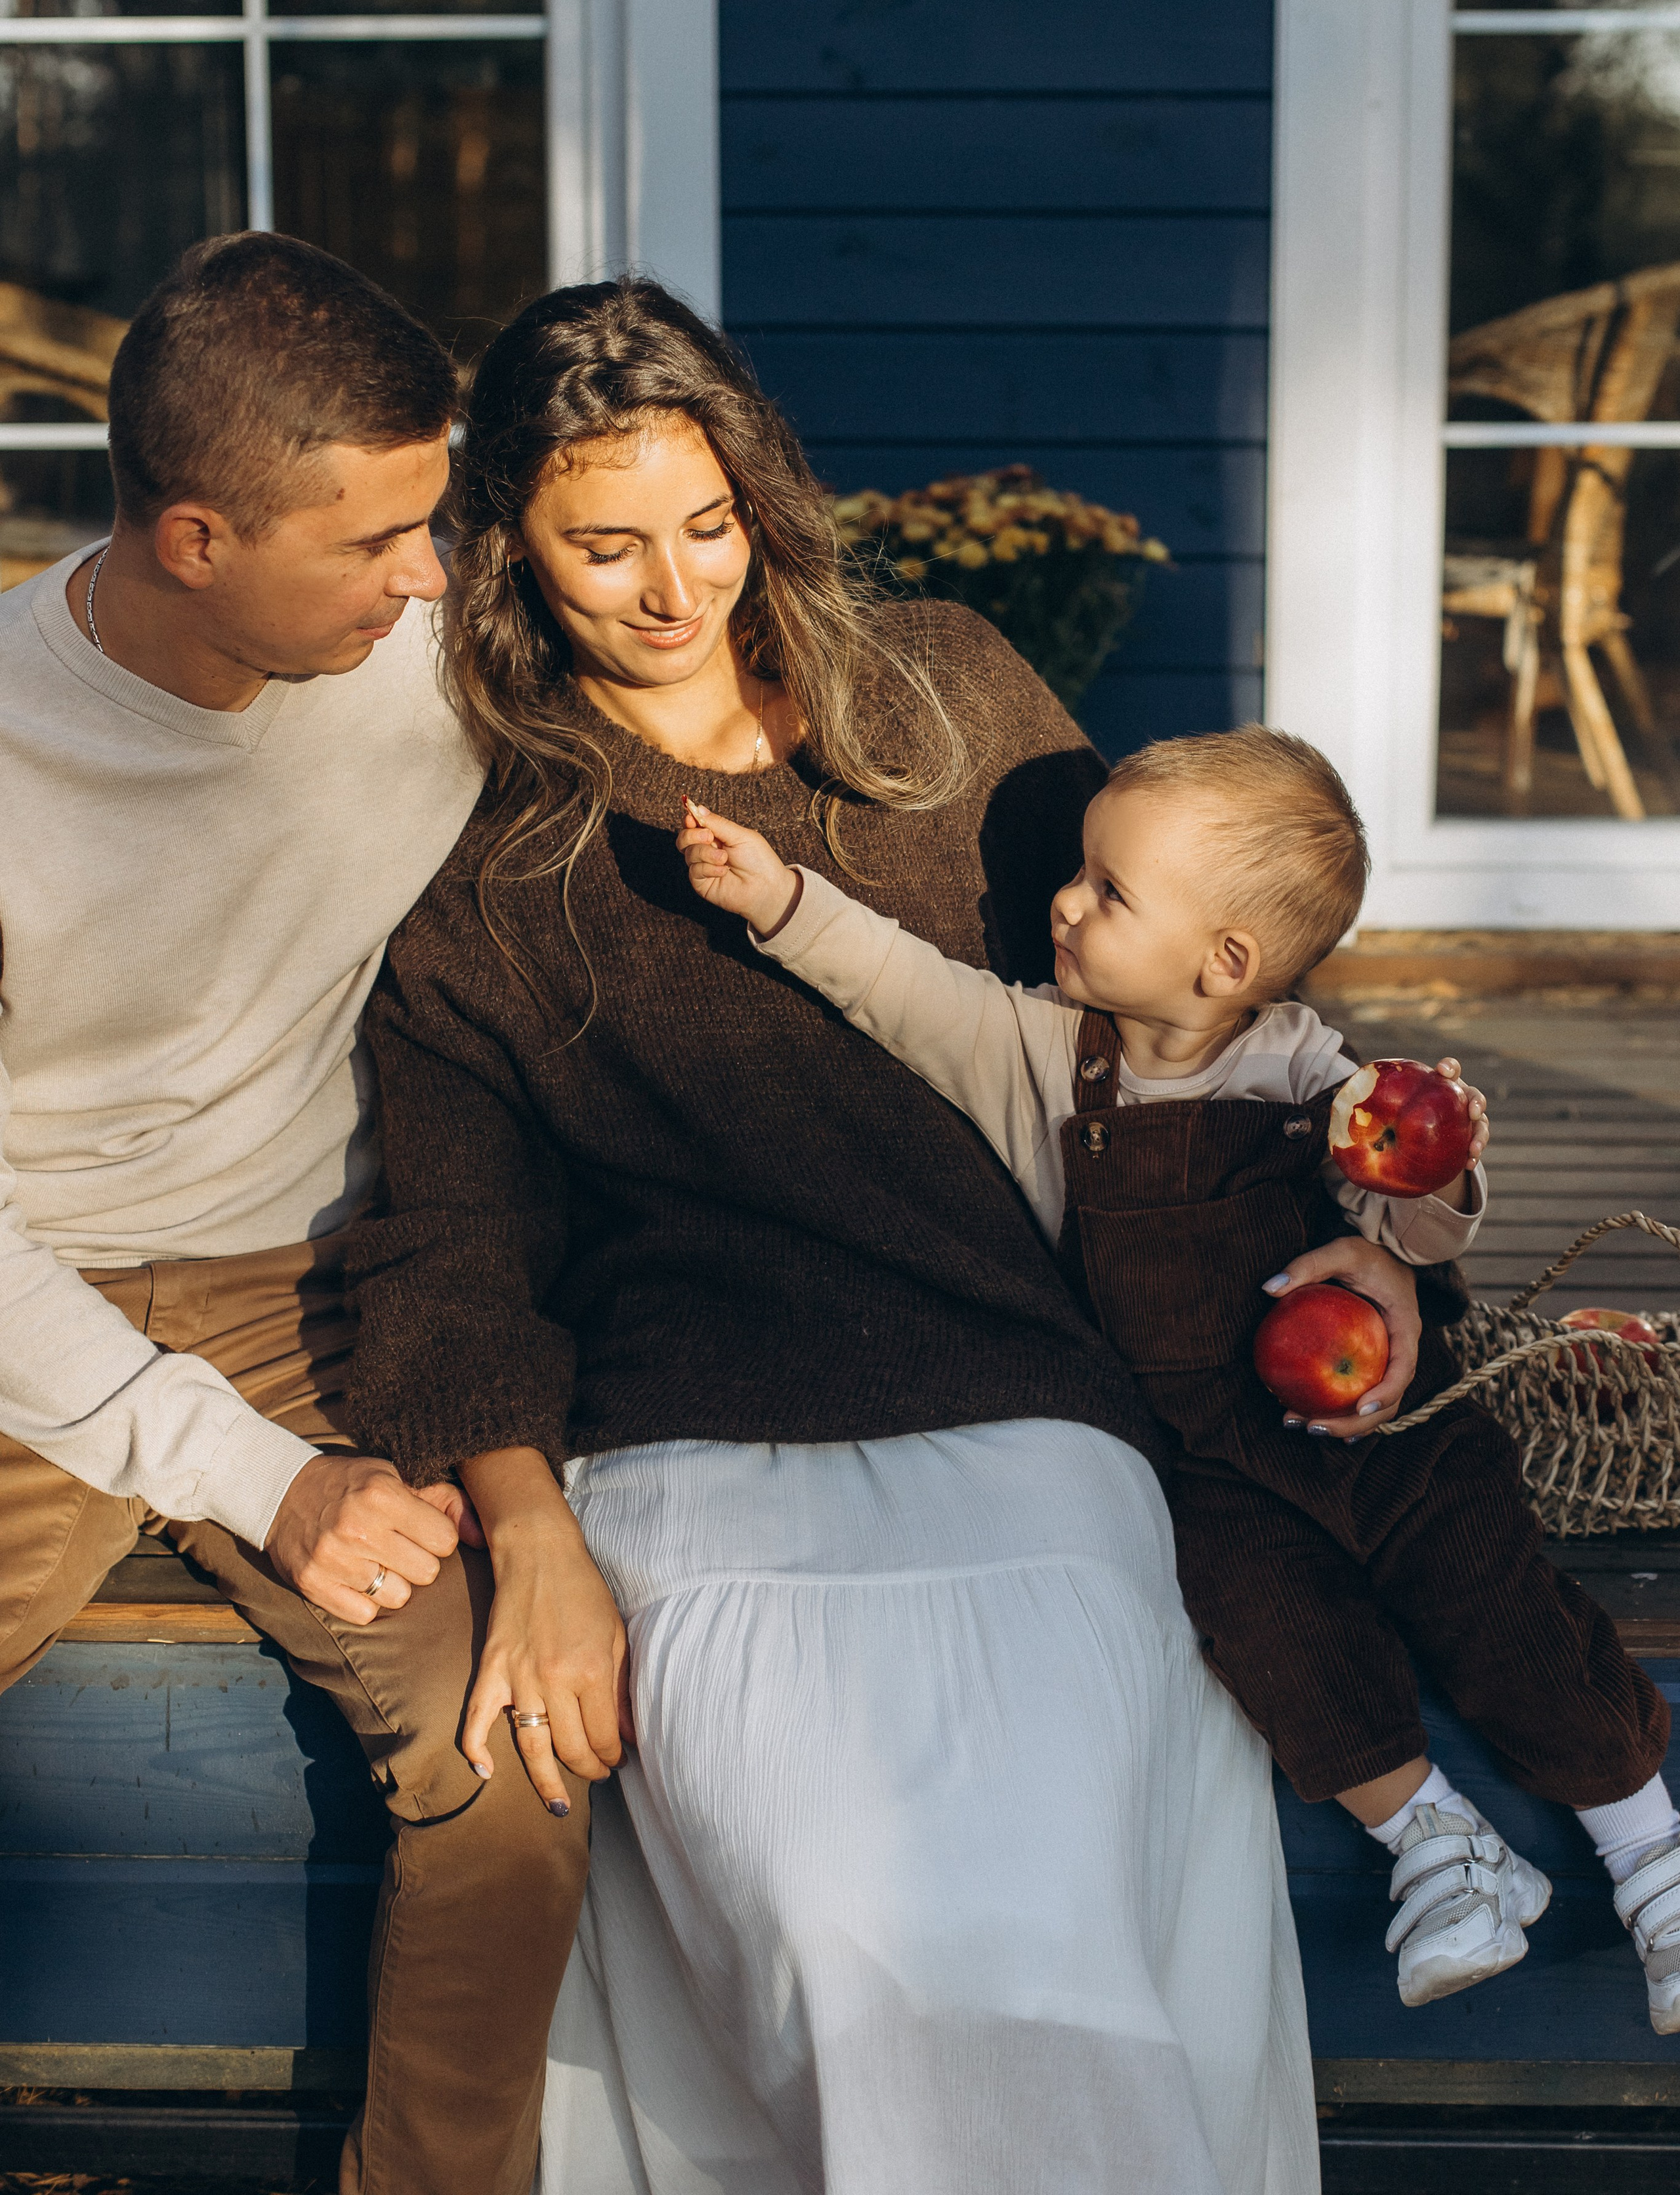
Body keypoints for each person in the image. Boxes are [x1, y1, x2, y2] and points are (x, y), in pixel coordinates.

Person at [343, 274, 1434, 2194]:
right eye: (606, 549)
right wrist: (532, 1536)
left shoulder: (944, 697)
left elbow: (1184, 1013)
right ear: (508, 540)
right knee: (851, 1941)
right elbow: (447, 1236)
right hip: (685, 1458)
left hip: (1029, 1408)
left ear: (762, 492)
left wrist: (1365, 1245)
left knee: (1034, 1923)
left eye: (712, 525)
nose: (680, 591)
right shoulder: (485, 841)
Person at [676, 724, 1680, 2028]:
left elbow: (1409, 1233)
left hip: (1387, 1431)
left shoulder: (1314, 1077)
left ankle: (1646, 1854)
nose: (1061, 900)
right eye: (1081, 873)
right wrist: (778, 902)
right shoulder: (1040, 1054)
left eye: (1107, 891)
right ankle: (1439, 1844)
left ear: (1226, 963)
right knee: (1265, 1636)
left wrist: (1429, 1172)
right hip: (1208, 1463)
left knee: (1498, 1609)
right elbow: (897, 986)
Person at [0, 233, 593, 2195]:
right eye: (374, 544)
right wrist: (257, 1481)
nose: (430, 580)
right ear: (191, 538)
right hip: (25, 1308)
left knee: (511, 1758)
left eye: (434, 525)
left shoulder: (419, 649)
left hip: (312, 1289)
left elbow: (758, 711)